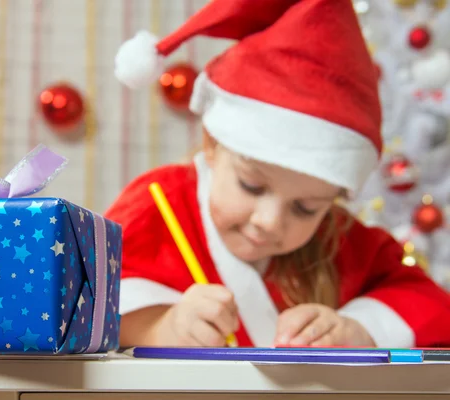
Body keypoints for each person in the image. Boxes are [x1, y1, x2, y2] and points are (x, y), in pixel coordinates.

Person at [106, 0, 450, 348]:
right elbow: (86, 296)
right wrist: (160, 327)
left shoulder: (337, 239)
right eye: (252, 186)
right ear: (211, 144)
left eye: (305, 208)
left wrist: (359, 328)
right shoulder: (158, 202)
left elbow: (430, 304)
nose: (270, 222)